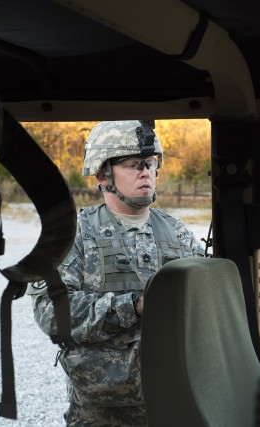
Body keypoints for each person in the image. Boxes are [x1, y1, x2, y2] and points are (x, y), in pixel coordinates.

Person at [30, 120, 205, 426]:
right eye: (133, 164)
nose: (145, 172)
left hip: (173, 403)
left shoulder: (177, 233)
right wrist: (132, 306)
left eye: (150, 164)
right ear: (102, 173)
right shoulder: (74, 233)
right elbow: (51, 312)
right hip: (102, 412)